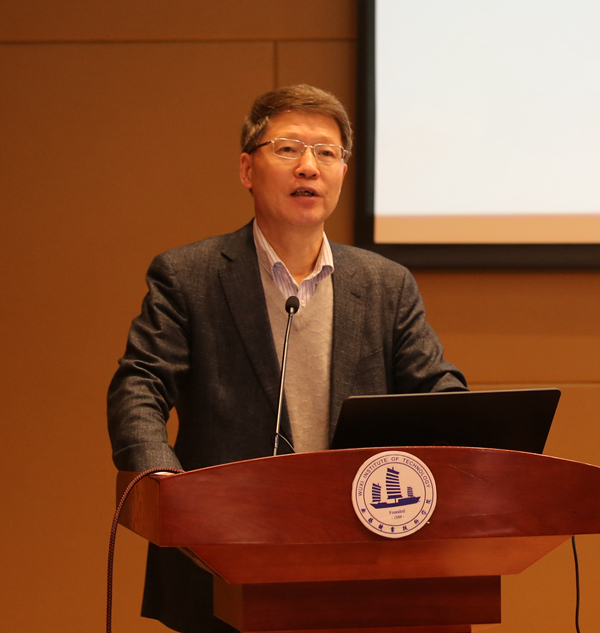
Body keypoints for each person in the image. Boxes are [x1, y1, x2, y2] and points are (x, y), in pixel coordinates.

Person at [108, 84, 467, 633]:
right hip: (224, 557)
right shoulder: (189, 276)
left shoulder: (384, 284)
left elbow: (433, 388)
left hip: (365, 560)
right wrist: (162, 480)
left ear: (342, 172)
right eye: (288, 149)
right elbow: (140, 384)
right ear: (247, 169)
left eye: (326, 152)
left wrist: (478, 442)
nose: (309, 166)